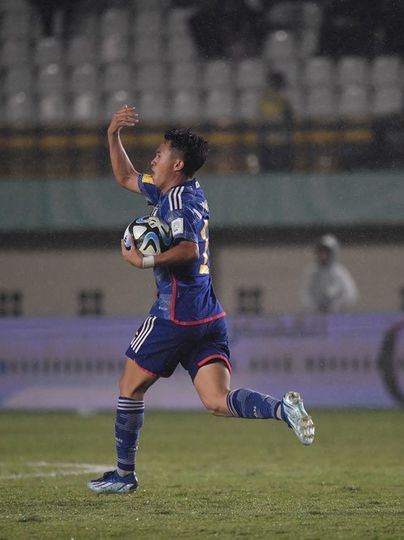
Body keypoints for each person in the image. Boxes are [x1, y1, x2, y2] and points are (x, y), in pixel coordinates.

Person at [88, 105, 315, 494]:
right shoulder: (179, 192)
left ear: (176, 165)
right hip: (208, 315)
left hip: (175, 314)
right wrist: (113, 135)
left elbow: (189, 250)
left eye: (160, 154)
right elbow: (125, 176)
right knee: (216, 400)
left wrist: (145, 259)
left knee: (129, 385)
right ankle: (283, 408)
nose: (154, 158)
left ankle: (124, 476)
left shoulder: (176, 203)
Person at [301, 234, 358, 313]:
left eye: (326, 252)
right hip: (318, 316)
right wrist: (316, 307)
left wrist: (336, 305)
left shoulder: (340, 273)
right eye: (321, 252)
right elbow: (306, 295)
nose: (323, 255)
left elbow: (350, 295)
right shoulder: (312, 273)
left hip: (338, 315)